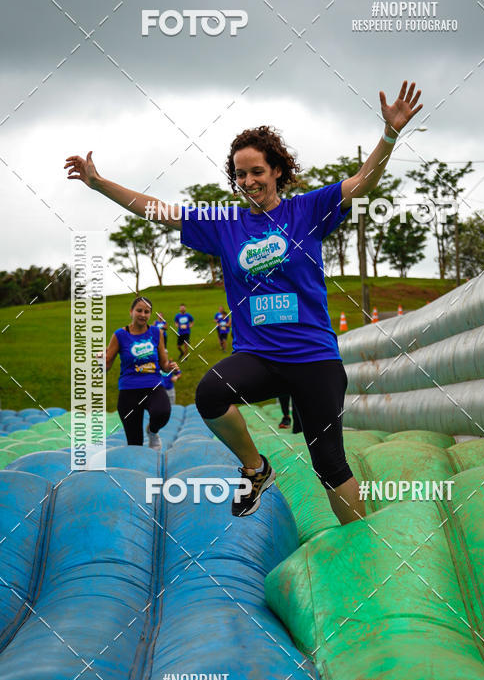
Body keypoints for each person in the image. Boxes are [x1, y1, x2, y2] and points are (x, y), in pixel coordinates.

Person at [65, 80, 422, 522]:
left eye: (256, 171)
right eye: (239, 174)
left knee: (330, 464)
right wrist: (99, 184)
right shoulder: (224, 224)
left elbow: (362, 183)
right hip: (260, 356)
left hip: (314, 357)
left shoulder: (307, 210)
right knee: (210, 393)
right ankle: (255, 469)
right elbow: (158, 210)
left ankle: (362, 543)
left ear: (277, 171)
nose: (248, 181)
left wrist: (389, 134)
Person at [101, 296, 171, 449]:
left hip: (153, 386)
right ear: (131, 312)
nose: (143, 315)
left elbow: (164, 364)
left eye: (147, 312)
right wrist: (99, 360)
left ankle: (152, 432)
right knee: (134, 443)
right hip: (129, 390)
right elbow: (105, 366)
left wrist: (170, 366)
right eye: (139, 310)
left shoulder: (156, 332)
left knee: (162, 413)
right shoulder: (119, 335)